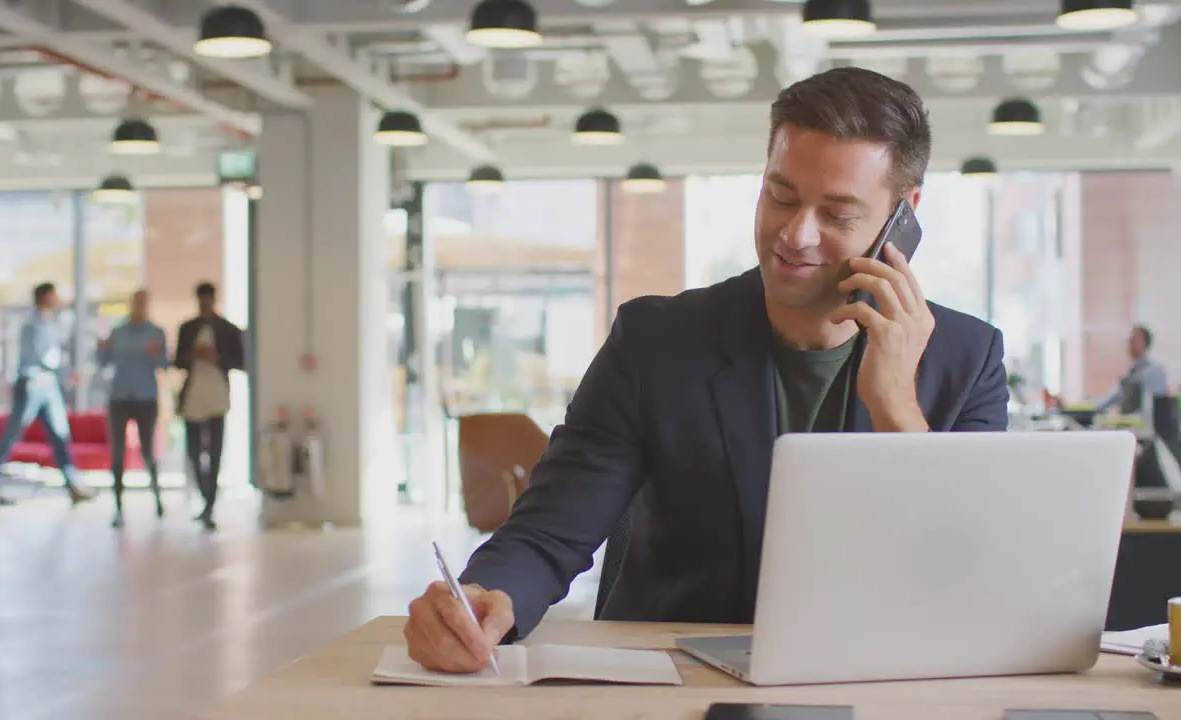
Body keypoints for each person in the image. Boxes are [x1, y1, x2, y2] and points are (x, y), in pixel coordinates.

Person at [403, 67, 1010, 673]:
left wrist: (898, 410)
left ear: (903, 216)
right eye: (782, 195)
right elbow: (549, 530)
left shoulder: (968, 358)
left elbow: (966, 573)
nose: (796, 234)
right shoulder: (656, 342)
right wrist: (485, 599)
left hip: (885, 682)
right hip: (674, 682)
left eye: (839, 214)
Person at [0, 282, 97, 506]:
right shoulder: (32, 323)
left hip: (49, 384)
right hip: (33, 383)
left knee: (60, 435)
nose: (57, 298)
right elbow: (38, 356)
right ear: (45, 296)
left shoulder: (51, 322)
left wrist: (65, 374)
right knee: (12, 435)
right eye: (54, 295)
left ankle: (73, 484)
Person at [173, 282, 245, 531]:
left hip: (217, 393)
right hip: (193, 394)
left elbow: (242, 361)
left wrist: (218, 358)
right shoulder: (188, 329)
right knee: (194, 451)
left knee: (215, 451)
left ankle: (210, 504)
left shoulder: (228, 330)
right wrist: (193, 355)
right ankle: (205, 495)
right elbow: (177, 361)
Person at [97, 289, 169, 528]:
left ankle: (158, 499)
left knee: (148, 451)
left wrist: (156, 355)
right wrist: (102, 347)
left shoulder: (156, 333)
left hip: (145, 397)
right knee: (118, 454)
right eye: (136, 302)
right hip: (120, 397)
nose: (139, 306)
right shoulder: (119, 332)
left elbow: (164, 365)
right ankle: (118, 508)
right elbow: (104, 362)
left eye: (143, 303)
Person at [1096, 324, 1166, 417]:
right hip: (1127, 425)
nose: (1129, 344)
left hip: (1141, 428)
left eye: (1133, 340)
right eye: (1129, 340)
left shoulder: (1154, 372)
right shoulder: (1130, 373)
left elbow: (1152, 410)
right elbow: (1111, 399)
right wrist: (1092, 408)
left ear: (1144, 343)